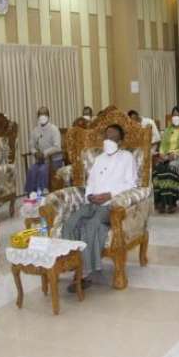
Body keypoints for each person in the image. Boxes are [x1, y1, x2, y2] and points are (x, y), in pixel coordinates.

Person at [61, 124, 137, 291]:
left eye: (113, 137)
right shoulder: (99, 159)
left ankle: (85, 273)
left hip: (110, 204)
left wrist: (110, 195)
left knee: (91, 225)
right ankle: (71, 263)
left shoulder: (127, 157)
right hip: (92, 202)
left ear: (120, 141)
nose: (108, 140)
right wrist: (89, 195)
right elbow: (90, 182)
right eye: (106, 136)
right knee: (71, 222)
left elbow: (131, 184)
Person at [154, 106, 179, 213]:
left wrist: (175, 154)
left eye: (178, 114)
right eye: (174, 115)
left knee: (170, 168)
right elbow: (162, 145)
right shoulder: (168, 129)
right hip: (166, 156)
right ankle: (161, 202)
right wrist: (162, 154)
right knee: (157, 168)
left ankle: (171, 202)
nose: (176, 117)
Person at [24, 106, 62, 194]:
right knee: (31, 170)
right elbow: (31, 146)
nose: (42, 117)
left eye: (44, 114)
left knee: (42, 170)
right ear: (38, 117)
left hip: (54, 160)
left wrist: (44, 153)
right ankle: (31, 194)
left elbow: (57, 147)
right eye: (40, 115)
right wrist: (35, 153)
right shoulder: (35, 130)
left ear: (48, 116)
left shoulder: (54, 129)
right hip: (41, 161)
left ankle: (41, 193)